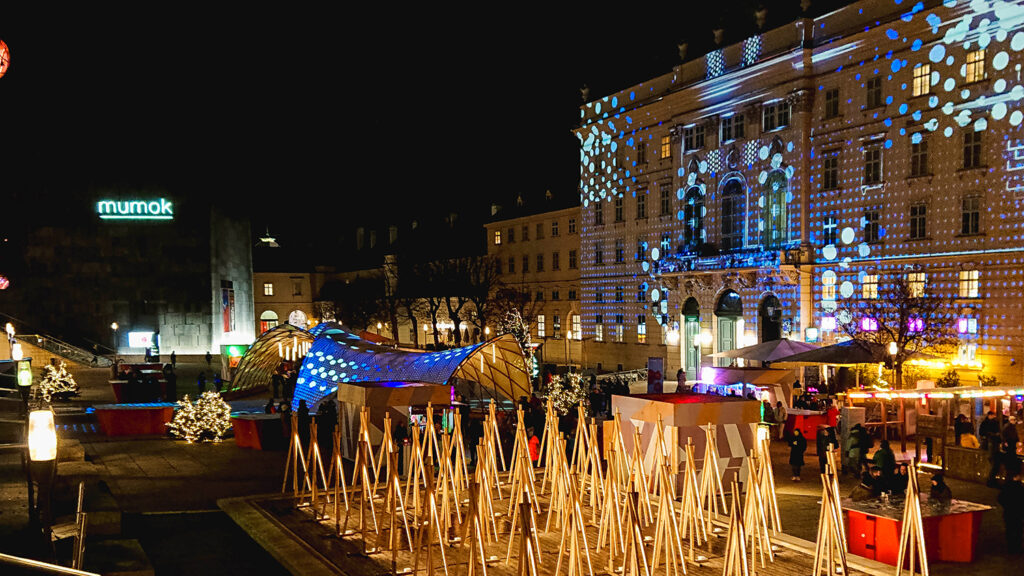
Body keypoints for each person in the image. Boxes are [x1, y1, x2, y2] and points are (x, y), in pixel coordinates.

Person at [998, 470, 1024, 555]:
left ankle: (1011, 548)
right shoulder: (1020, 487)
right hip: (1018, 513)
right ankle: (1016, 548)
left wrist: (1006, 506)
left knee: (1010, 530)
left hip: (1008, 512)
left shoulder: (1006, 486)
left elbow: (1000, 498)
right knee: (1017, 531)